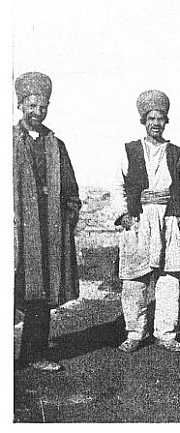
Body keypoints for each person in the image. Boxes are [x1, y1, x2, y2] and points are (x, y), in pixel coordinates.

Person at [14, 72, 81, 371]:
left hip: (48, 228)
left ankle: (34, 353)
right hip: (17, 229)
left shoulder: (57, 144)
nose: (37, 112)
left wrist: (67, 218)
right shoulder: (8, 141)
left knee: (39, 293)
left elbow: (71, 190)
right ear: (20, 105)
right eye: (32, 106)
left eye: (43, 107)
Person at [113, 89, 180, 353]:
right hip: (139, 218)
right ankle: (135, 332)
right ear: (143, 121)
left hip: (167, 218)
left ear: (166, 121)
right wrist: (124, 216)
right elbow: (118, 185)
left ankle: (165, 333)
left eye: (160, 119)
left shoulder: (175, 152)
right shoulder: (130, 149)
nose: (156, 123)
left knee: (169, 278)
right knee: (135, 279)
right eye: (151, 119)